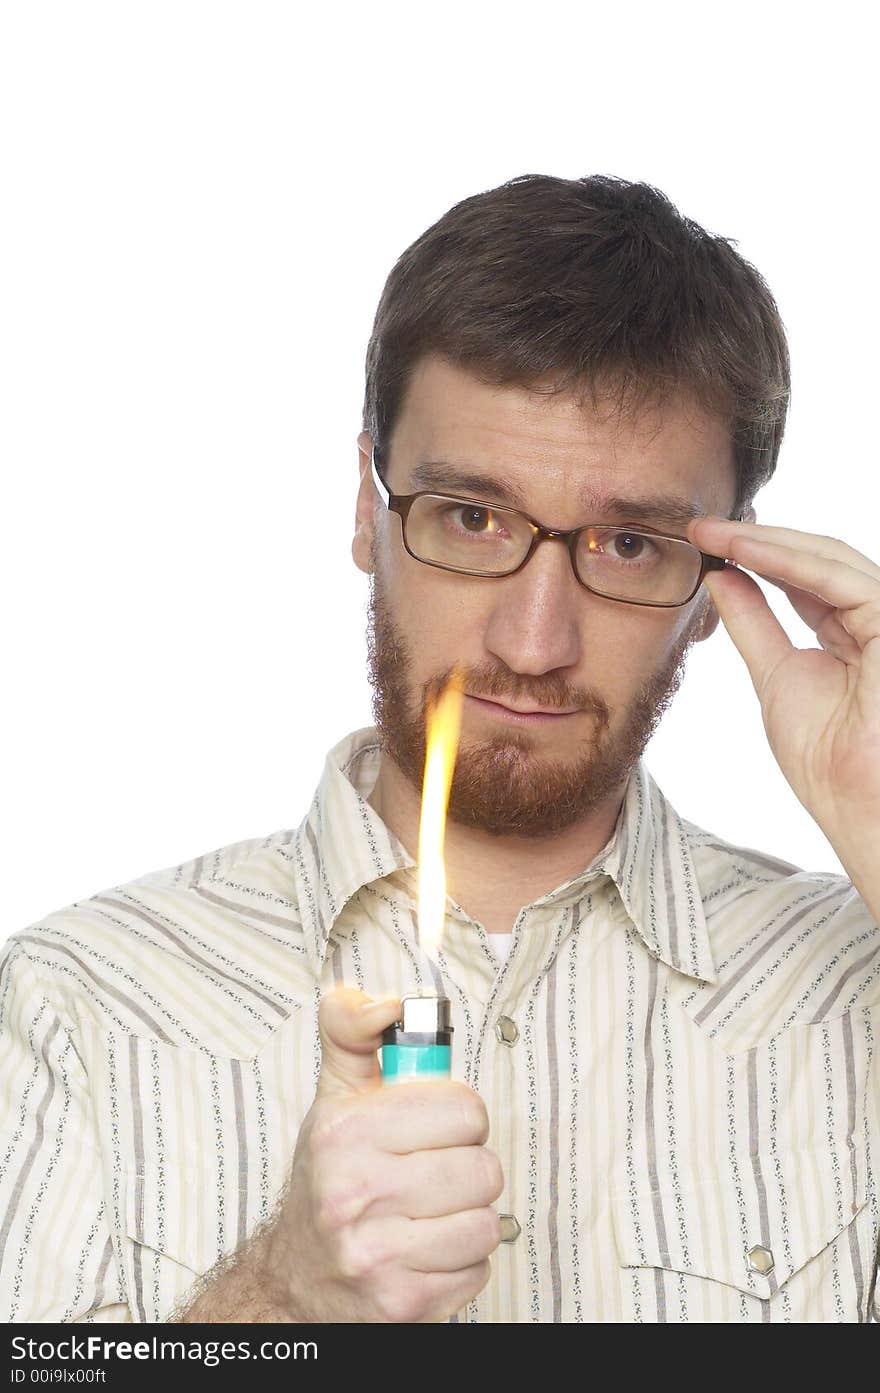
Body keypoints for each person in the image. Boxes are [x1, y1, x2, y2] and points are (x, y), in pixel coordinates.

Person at [2, 174, 878, 1326]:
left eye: (626, 542)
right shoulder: (72, 1012)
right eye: (472, 518)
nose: (533, 639)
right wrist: (282, 1300)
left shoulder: (856, 995)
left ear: (721, 585)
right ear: (369, 512)